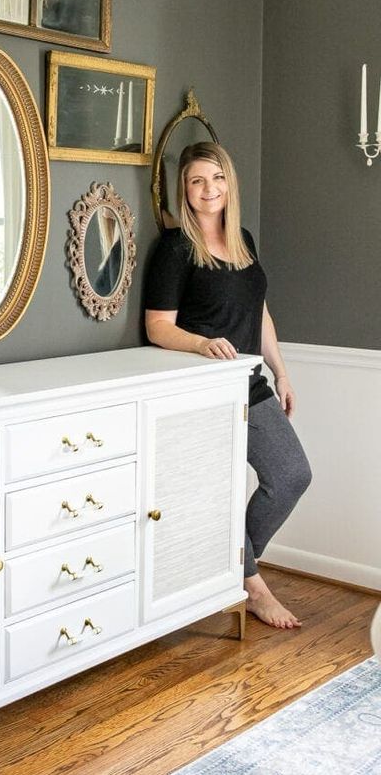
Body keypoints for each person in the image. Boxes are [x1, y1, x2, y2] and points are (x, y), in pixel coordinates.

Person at [144, 141, 311, 629]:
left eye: (216, 178)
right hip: (202, 389)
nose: (208, 189)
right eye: (197, 181)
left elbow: (258, 313)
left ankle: (235, 566)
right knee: (214, 493)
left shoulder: (243, 240)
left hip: (249, 382)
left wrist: (281, 371)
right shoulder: (176, 248)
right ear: (185, 190)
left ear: (229, 182)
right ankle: (254, 585)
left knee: (292, 475)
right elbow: (157, 325)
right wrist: (200, 344)